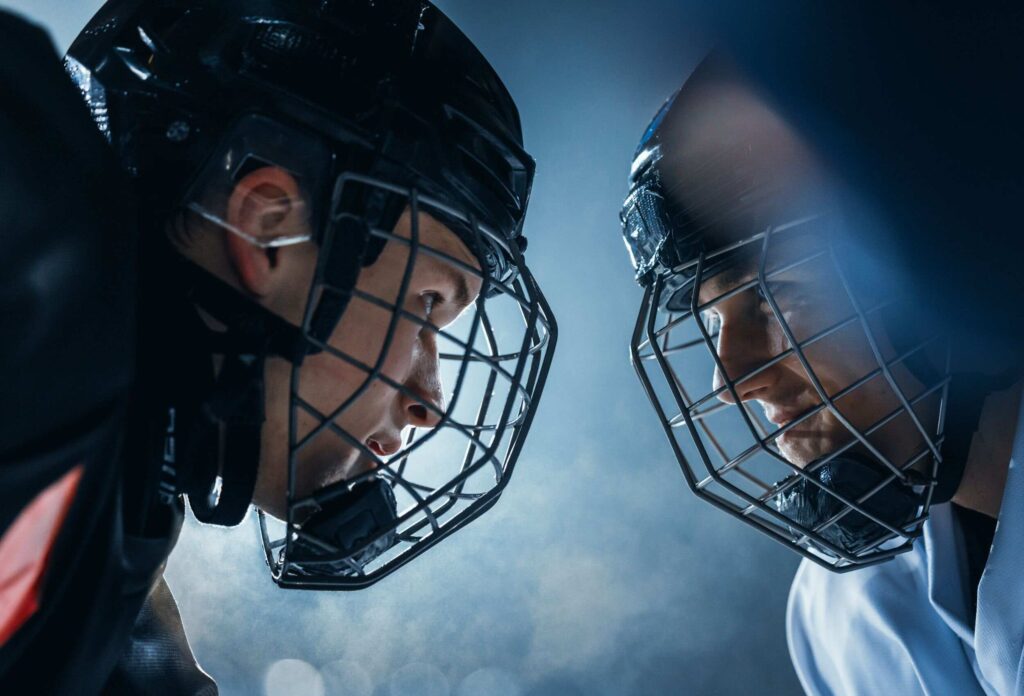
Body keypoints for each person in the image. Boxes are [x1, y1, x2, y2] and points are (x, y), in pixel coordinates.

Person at [0, 0, 556, 692]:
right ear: (269, 230)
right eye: (426, 308)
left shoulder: (122, 498)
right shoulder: (27, 243)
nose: (428, 402)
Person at [619, 38, 1024, 696]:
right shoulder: (847, 617)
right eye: (717, 321)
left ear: (949, 264)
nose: (731, 381)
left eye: (781, 299)